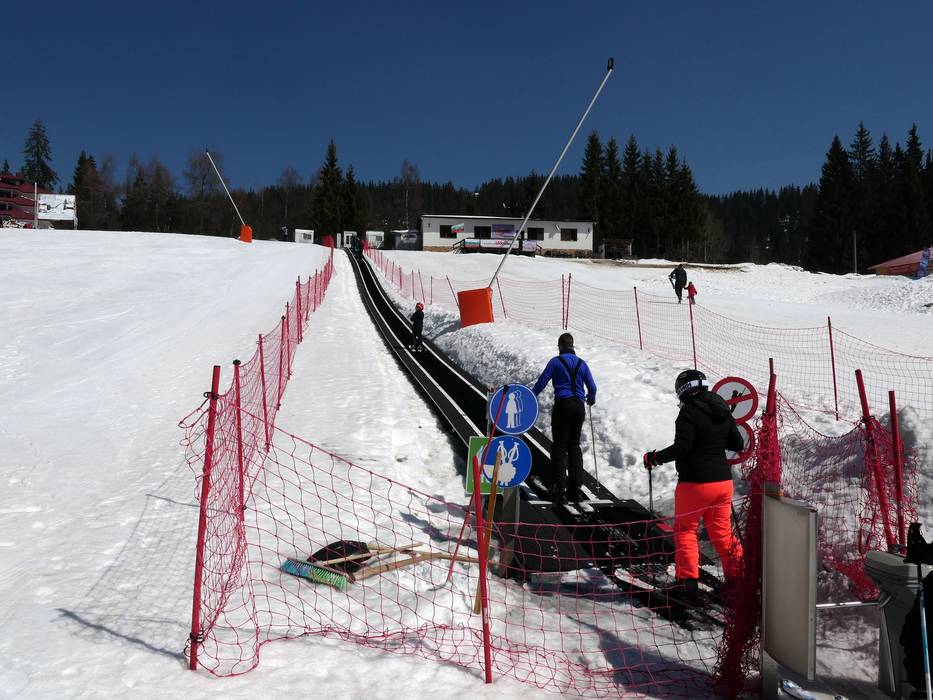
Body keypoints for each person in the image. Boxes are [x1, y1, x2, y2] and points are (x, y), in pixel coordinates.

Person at [642, 369, 744, 602]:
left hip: (695, 484)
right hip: (722, 482)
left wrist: (655, 457)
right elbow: (737, 443)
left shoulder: (688, 411)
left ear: (683, 390)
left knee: (686, 530)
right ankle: (738, 581)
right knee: (722, 533)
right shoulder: (722, 408)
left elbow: (682, 448)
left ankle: (687, 583)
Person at [531, 333, 597, 503]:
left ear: (560, 346)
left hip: (563, 405)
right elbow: (592, 386)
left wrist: (531, 396)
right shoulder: (582, 363)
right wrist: (591, 397)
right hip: (579, 406)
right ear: (572, 346)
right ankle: (575, 488)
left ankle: (560, 488)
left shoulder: (555, 362)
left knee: (559, 446)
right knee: (574, 445)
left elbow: (542, 381)